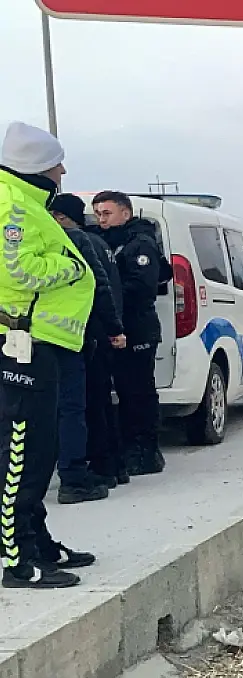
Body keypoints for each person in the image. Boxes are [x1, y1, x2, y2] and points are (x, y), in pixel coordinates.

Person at [0, 122, 98, 589]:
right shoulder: (11, 204)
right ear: (37, 166)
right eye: (56, 162)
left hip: (41, 343)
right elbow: (17, 268)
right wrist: (71, 266)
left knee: (41, 450)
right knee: (20, 452)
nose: (62, 170)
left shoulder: (28, 203)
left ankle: (36, 541)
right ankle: (17, 560)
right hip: (20, 344)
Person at [49, 193, 125, 504]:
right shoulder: (85, 242)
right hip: (75, 336)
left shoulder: (30, 240)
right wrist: (114, 328)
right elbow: (103, 288)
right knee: (80, 407)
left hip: (32, 338)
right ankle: (79, 475)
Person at [92, 190, 167, 476]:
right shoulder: (105, 242)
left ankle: (146, 452)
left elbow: (141, 287)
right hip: (115, 329)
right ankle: (127, 448)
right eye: (98, 213)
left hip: (137, 329)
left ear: (125, 213)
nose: (102, 219)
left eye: (107, 213)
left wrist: (106, 297)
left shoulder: (140, 244)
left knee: (138, 393)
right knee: (120, 392)